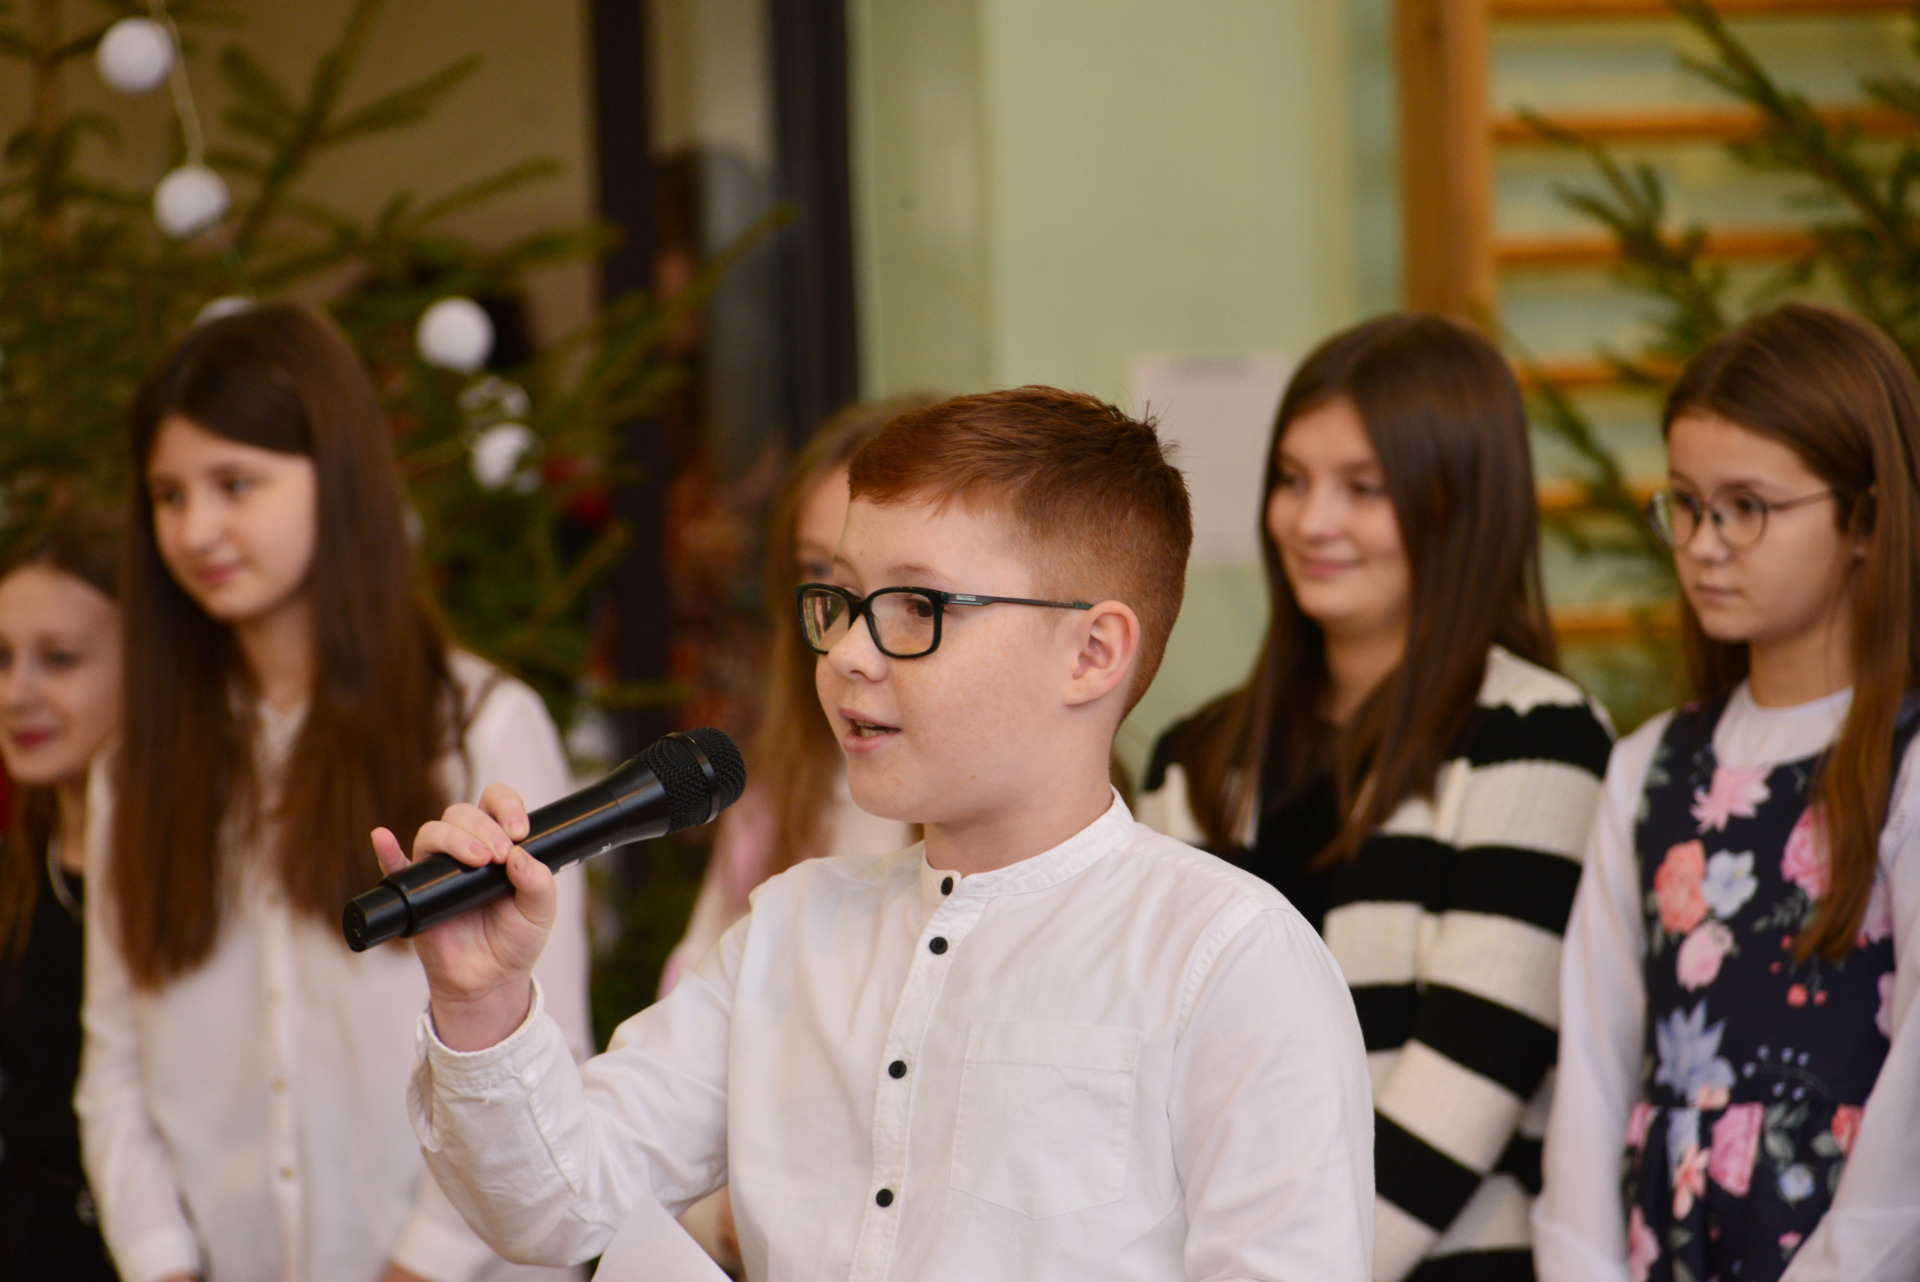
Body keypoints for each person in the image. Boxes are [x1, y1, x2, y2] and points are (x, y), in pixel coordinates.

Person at [382, 387, 1377, 1280]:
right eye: (842, 601)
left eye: (916, 608)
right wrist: (483, 1003)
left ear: (1091, 651)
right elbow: (558, 1205)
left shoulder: (1226, 958)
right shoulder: (791, 929)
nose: (850, 654)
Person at [76, 304, 592, 1282]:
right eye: (169, 495)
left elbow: (548, 1045)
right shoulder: (134, 764)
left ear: (337, 477)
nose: (197, 528)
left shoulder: (481, 725)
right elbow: (113, 1063)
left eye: (236, 484)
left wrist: (419, 1266)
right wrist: (161, 1261)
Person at [1138, 313, 1615, 1281]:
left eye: (1365, 488)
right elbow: (1155, 1067)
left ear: (1460, 502)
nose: (1313, 521)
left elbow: (1465, 1089)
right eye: (1292, 479)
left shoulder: (1535, 737)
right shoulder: (1197, 758)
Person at [1534, 303, 1920, 1282]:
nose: (1704, 543)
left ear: (1867, 518)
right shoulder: (1650, 766)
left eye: (1747, 507)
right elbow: (1593, 1071)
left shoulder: (1905, 759)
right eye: (1687, 504)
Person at [659, 396, 934, 997]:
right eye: (820, 572)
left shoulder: (1002, 805)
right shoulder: (775, 794)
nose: (852, 638)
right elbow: (692, 995)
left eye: (902, 591)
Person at [0, 517, 124, 1282]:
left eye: (60, 660)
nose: (18, 694)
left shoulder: (201, 885)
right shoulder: (17, 872)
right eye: (2, 658)